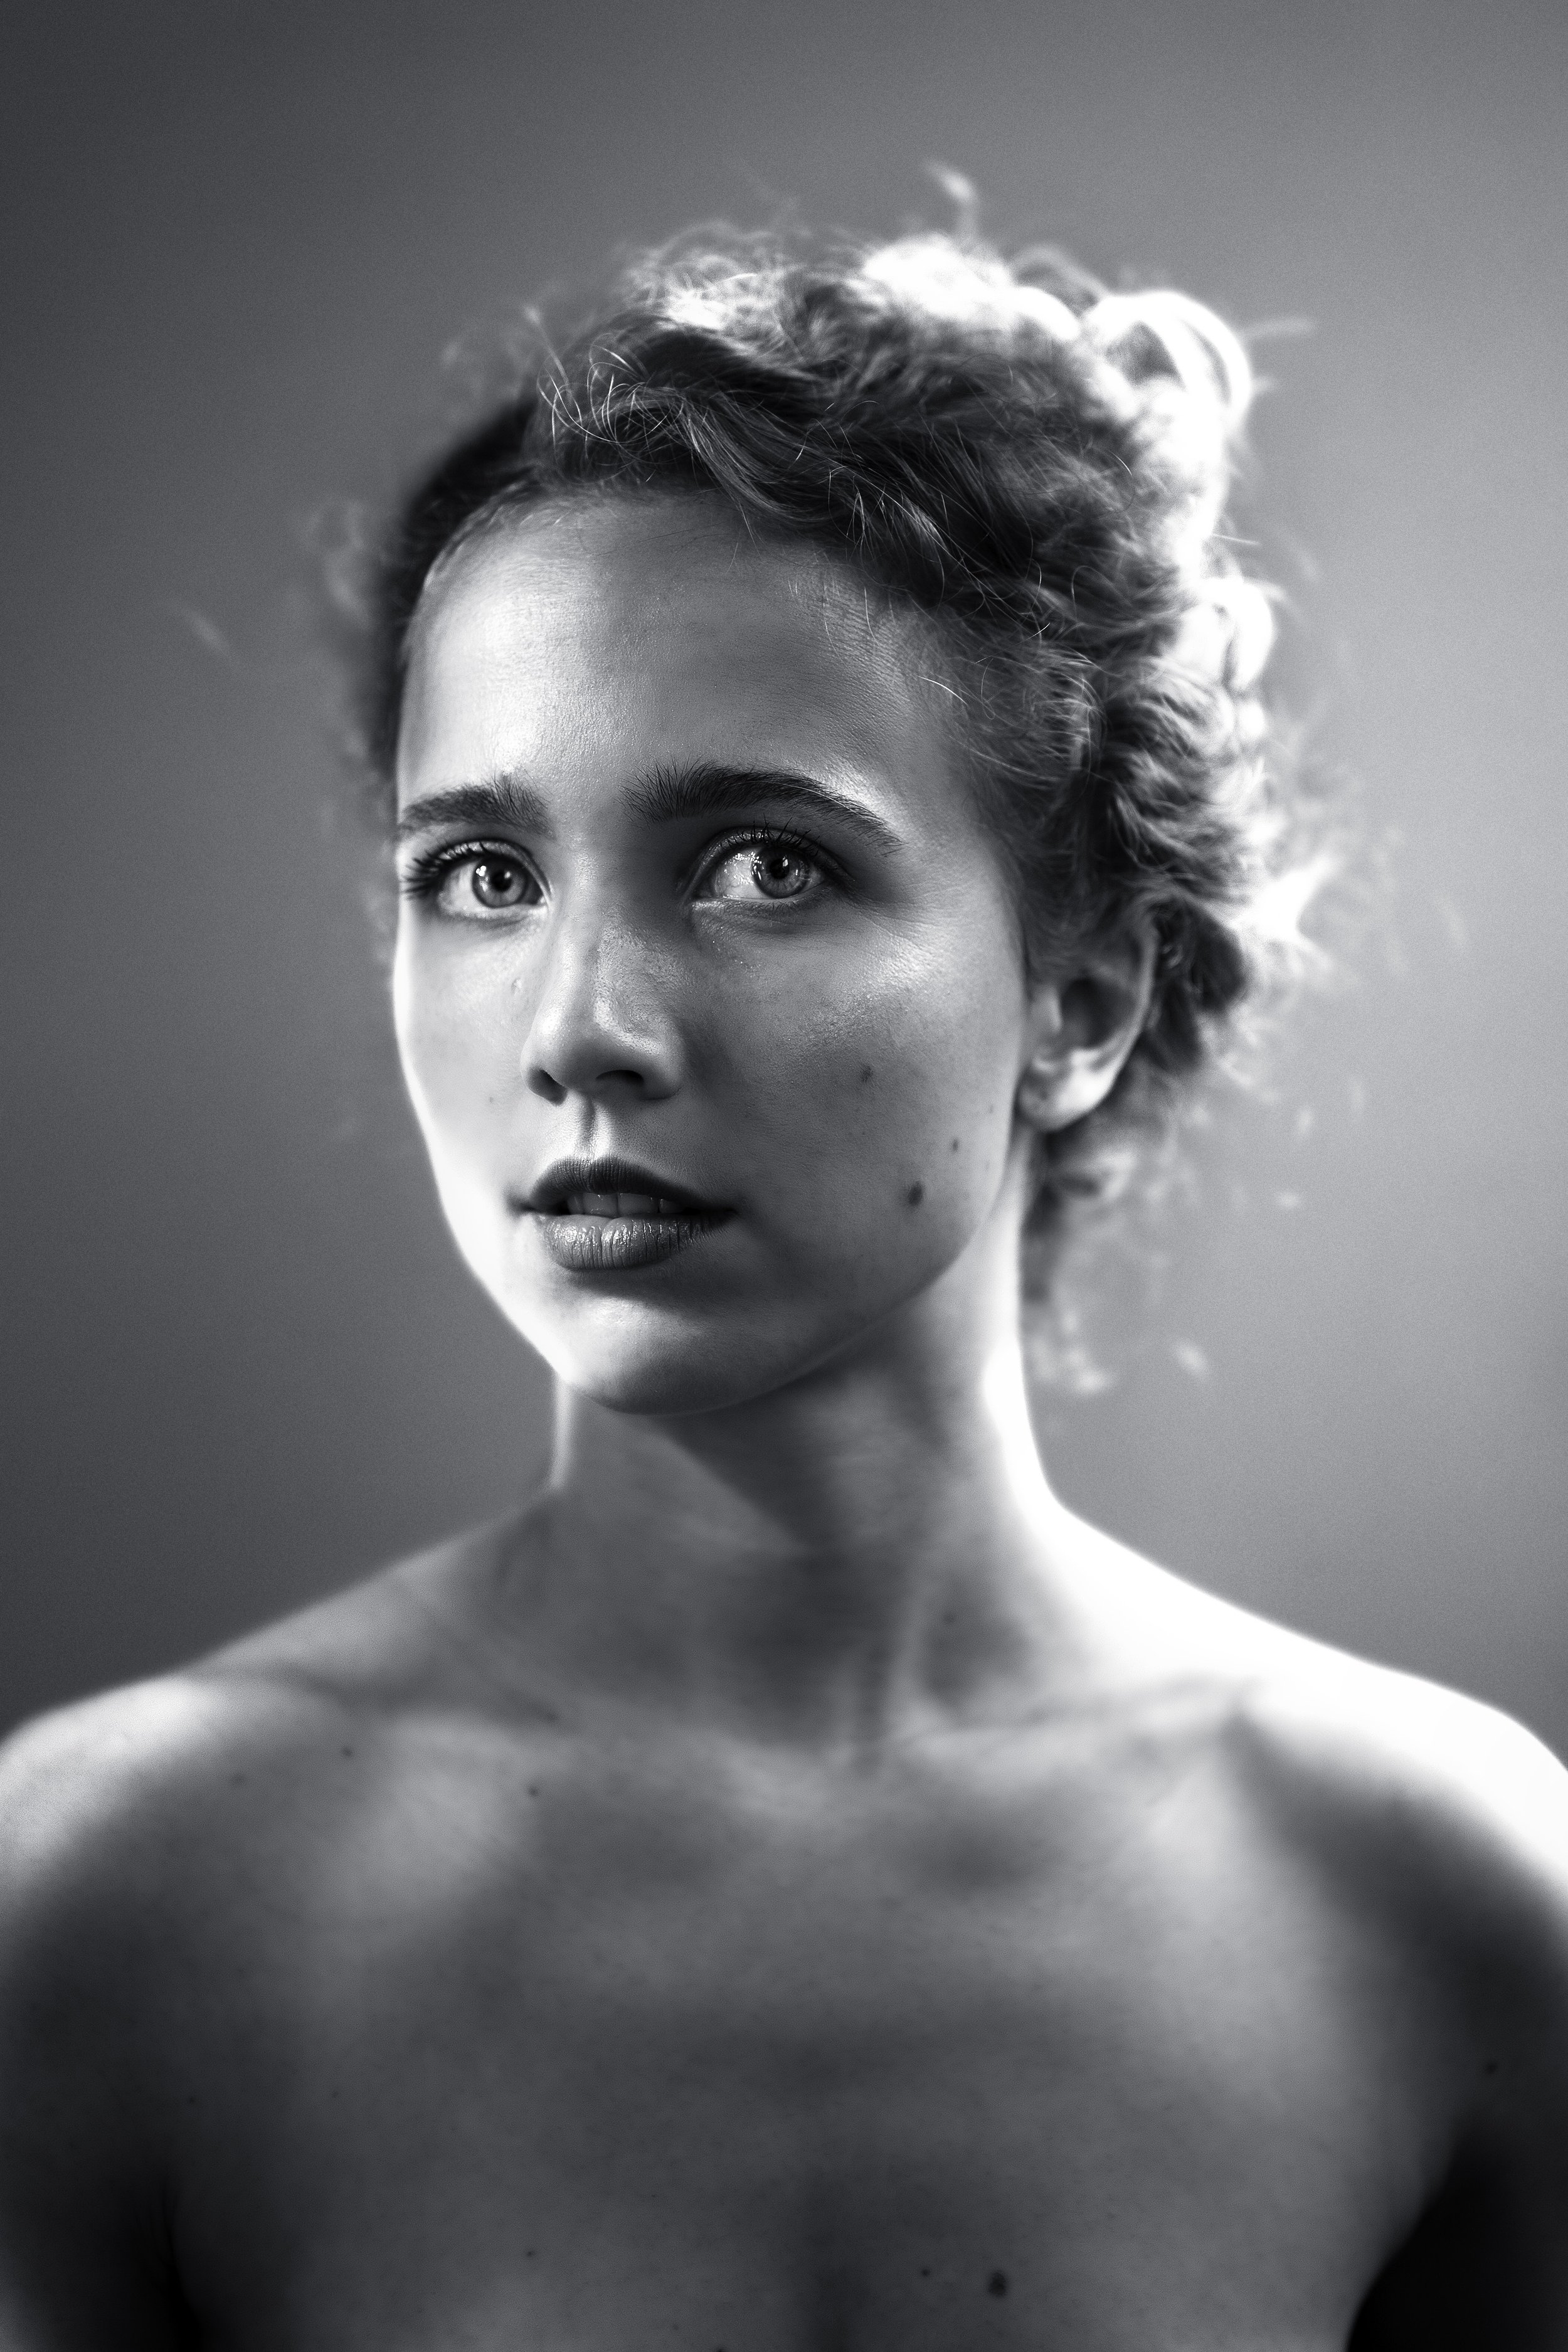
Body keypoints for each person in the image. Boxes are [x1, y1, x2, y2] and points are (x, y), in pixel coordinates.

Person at [1, 215, 1565, 2351]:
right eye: (481, 874)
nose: (582, 1026)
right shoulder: (98, 1916)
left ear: (1082, 996)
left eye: (763, 865)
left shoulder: (1448, 1908)